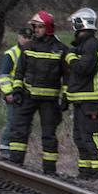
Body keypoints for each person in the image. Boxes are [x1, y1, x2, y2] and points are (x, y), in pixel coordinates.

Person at [10, 11, 69, 175]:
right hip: (27, 97)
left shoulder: (61, 50)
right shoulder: (28, 48)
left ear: (48, 28)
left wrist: (65, 97)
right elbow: (19, 72)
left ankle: (49, 171)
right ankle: (15, 165)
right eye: (34, 26)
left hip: (50, 101)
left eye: (39, 27)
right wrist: (17, 90)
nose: (35, 30)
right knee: (19, 130)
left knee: (49, 135)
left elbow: (67, 77)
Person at [65, 8, 98, 181]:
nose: (72, 27)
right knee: (80, 137)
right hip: (81, 99)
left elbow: (83, 69)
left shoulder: (91, 45)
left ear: (80, 23)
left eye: (74, 23)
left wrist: (70, 57)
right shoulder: (85, 45)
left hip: (90, 100)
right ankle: (86, 172)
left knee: (92, 135)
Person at [0, 27, 33, 159]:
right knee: (13, 121)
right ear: (19, 37)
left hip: (27, 94)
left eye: (29, 37)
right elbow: (4, 76)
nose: (26, 40)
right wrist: (8, 93)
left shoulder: (32, 52)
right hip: (13, 94)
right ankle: (5, 146)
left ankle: (16, 150)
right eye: (24, 37)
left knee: (25, 124)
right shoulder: (11, 53)